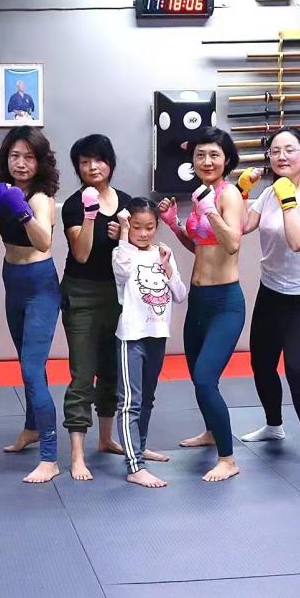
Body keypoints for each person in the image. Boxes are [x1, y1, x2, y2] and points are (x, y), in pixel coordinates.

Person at [240, 127, 300, 475]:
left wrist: (288, 199)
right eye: (275, 151)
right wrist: (242, 191)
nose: (281, 156)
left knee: (297, 369)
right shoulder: (268, 194)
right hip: (270, 291)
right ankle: (273, 425)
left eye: (290, 150)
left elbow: (297, 241)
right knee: (262, 364)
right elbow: (242, 226)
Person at [157, 127, 246, 483]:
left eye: (214, 155)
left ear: (227, 159)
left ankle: (228, 459)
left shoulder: (230, 195)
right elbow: (200, 248)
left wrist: (211, 212)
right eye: (200, 155)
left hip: (225, 302)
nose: (206, 161)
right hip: (198, 301)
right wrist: (175, 226)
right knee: (198, 377)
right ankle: (211, 431)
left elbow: (232, 243)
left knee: (207, 379)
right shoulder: (201, 194)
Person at [0, 127, 61, 483]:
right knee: (28, 363)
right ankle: (32, 428)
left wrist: (23, 211)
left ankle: (50, 457)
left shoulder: (41, 199)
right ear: (6, 159)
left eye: (29, 157)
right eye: (15, 156)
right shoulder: (0, 189)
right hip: (12, 281)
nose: (21, 163)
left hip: (40, 284)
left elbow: (44, 243)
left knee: (31, 368)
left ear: (39, 161)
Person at [61, 134, 130, 481]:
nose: (92, 167)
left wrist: (125, 234)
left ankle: (105, 439)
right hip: (82, 294)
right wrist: (91, 216)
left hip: (118, 295)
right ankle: (76, 454)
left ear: (110, 162)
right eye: (84, 162)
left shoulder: (127, 203)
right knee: (83, 372)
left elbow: (141, 249)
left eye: (98, 160)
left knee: (111, 370)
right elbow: (82, 254)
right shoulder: (74, 205)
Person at [112, 198, 187, 488]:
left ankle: (139, 449)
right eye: (137, 227)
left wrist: (168, 269)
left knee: (147, 399)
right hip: (131, 337)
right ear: (128, 225)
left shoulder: (163, 253)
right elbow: (122, 272)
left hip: (157, 335)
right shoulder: (122, 252)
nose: (143, 233)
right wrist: (122, 230)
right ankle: (134, 466)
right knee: (130, 402)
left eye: (149, 227)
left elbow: (180, 295)